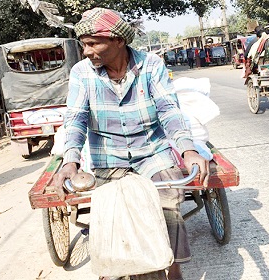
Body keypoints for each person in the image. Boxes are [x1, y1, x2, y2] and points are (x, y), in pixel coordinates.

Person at [49, 7, 210, 280]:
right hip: (108, 159)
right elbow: (76, 119)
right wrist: (70, 161)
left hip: (152, 153)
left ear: (118, 41)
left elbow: (169, 110)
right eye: (83, 44)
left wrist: (190, 150)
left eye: (92, 44)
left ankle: (173, 267)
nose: (86, 51)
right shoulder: (81, 73)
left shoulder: (151, 65)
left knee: (169, 203)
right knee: (108, 215)